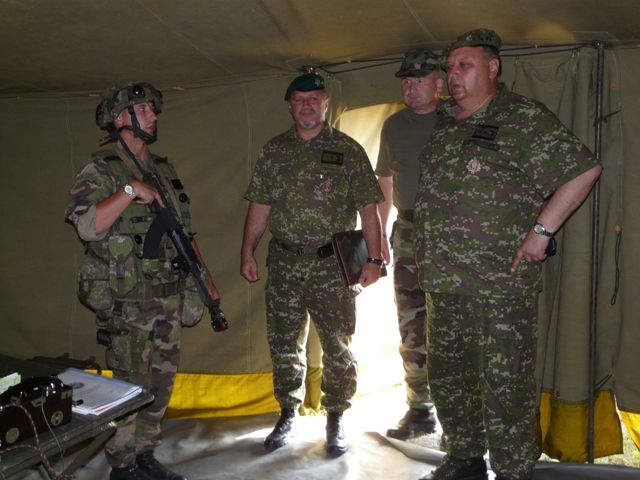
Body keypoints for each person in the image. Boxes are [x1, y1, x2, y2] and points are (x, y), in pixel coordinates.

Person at [413, 30, 602, 480]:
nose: (454, 75)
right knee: (449, 377)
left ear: (493, 67)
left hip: (498, 285)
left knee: (505, 384)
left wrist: (541, 232)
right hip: (443, 282)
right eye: (450, 67)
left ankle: (513, 470)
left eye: (465, 65)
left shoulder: (520, 117)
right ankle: (464, 457)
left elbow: (583, 168)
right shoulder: (446, 123)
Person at [65, 82, 220, 480]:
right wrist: (130, 190)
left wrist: (205, 280)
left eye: (153, 109)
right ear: (120, 118)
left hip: (168, 296)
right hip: (129, 302)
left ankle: (145, 453)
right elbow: (87, 226)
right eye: (144, 109)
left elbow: (184, 232)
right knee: (130, 387)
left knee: (160, 385)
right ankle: (123, 465)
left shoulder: (163, 169)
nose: (153, 115)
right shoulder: (101, 168)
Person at [240, 72, 384, 457]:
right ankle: (287, 411)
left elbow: (368, 209)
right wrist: (247, 252)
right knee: (284, 342)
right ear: (290, 106)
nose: (307, 105)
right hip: (285, 263)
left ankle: (336, 416)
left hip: (331, 265)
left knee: (338, 343)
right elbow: (260, 206)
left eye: (314, 98)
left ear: (325, 103)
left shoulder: (348, 150)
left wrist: (374, 258)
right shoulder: (274, 151)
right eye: (300, 99)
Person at [375, 49, 444, 440]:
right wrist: (380, 236)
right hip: (407, 232)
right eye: (406, 81)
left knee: (452, 325)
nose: (411, 88)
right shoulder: (394, 126)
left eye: (420, 80)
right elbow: (385, 181)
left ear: (439, 84)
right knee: (411, 322)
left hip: (451, 234)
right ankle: (420, 410)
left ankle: (458, 418)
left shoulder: (457, 120)